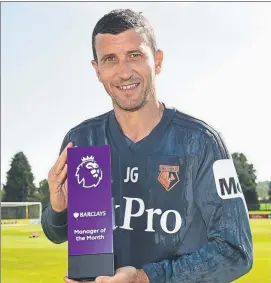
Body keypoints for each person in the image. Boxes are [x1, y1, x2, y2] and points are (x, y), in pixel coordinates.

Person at [41, 9, 253, 283]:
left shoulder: (202, 142)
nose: (124, 72)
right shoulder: (82, 141)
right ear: (97, 70)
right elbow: (57, 233)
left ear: (158, 60)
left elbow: (236, 251)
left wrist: (145, 278)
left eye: (135, 55)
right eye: (110, 59)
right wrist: (58, 210)